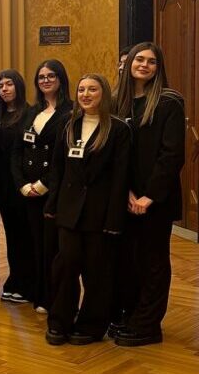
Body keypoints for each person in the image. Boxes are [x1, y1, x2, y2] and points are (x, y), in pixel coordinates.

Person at [44, 74, 130, 346]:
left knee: (96, 272)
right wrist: (52, 204)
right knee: (65, 265)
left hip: (100, 214)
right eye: (81, 89)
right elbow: (57, 169)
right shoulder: (68, 125)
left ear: (103, 94)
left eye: (92, 89)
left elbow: (121, 178)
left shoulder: (117, 129)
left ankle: (92, 326)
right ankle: (59, 321)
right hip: (68, 211)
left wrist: (114, 218)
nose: (86, 94)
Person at [112, 42, 185, 347]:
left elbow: (171, 155)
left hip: (157, 200)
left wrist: (149, 196)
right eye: (139, 59)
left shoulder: (169, 102)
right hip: (126, 198)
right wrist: (128, 192)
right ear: (128, 64)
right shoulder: (119, 103)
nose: (144, 65)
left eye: (152, 61)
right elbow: (117, 154)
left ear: (159, 68)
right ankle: (131, 314)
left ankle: (148, 325)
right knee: (129, 261)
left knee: (153, 262)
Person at [11, 59, 72, 314]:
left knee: (52, 248)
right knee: (34, 244)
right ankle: (37, 292)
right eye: (41, 77)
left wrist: (43, 185)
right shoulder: (30, 111)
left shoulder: (71, 112)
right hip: (28, 192)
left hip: (52, 191)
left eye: (51, 76)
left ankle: (53, 297)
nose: (45, 80)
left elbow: (65, 157)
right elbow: (16, 152)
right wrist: (22, 185)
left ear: (61, 79)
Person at [0, 70, 33, 303]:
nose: (5, 89)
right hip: (2, 185)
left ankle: (27, 282)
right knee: (11, 234)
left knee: (24, 235)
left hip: (22, 184)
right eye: (1, 86)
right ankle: (15, 278)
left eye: (9, 84)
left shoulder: (29, 113)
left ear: (18, 86)